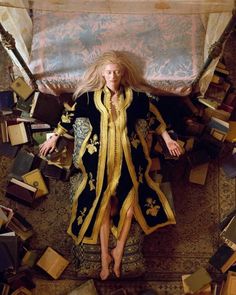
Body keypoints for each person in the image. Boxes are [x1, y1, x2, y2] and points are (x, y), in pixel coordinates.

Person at [39, 50, 182, 280]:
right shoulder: (87, 99)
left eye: (116, 71)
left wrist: (168, 139)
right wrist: (55, 137)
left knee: (128, 210)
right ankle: (105, 256)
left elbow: (154, 118)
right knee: (102, 205)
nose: (113, 75)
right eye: (108, 72)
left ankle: (119, 249)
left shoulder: (136, 99)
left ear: (122, 73)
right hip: (98, 162)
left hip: (128, 160)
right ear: (102, 74)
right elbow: (70, 117)